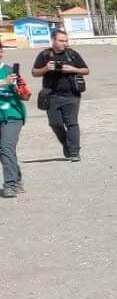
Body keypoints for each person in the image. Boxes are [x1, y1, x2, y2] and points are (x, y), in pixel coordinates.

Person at [31, 31, 87, 162]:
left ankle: (74, 152)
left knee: (72, 123)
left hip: (72, 95)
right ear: (53, 41)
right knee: (55, 124)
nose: (65, 43)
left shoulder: (72, 54)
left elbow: (86, 70)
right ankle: (67, 145)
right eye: (62, 41)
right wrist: (46, 68)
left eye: (66, 41)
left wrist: (73, 69)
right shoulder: (45, 55)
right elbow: (34, 72)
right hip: (51, 95)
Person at [0, 56, 26, 196]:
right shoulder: (6, 77)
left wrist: (19, 88)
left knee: (6, 147)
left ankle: (10, 184)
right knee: (4, 151)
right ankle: (16, 177)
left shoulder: (9, 70)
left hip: (12, 115)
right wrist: (4, 82)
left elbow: (25, 95)